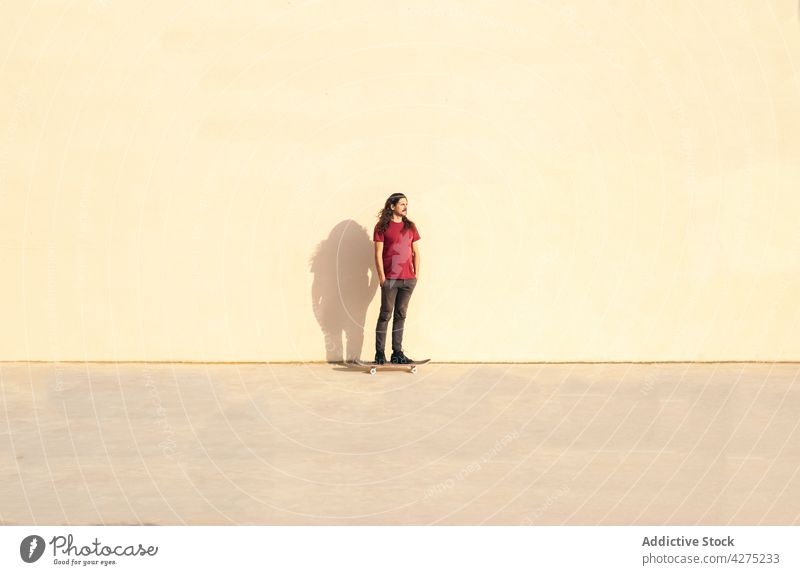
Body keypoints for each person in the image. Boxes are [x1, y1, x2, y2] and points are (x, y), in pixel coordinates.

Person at [373, 193, 421, 364]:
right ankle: (379, 353)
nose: (405, 206)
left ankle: (397, 353)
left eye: (406, 203)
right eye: (402, 204)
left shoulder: (411, 227)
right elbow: (378, 254)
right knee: (385, 315)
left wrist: (415, 276)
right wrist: (382, 278)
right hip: (390, 279)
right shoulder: (381, 227)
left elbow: (416, 252)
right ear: (392, 206)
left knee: (401, 315)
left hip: (408, 279)